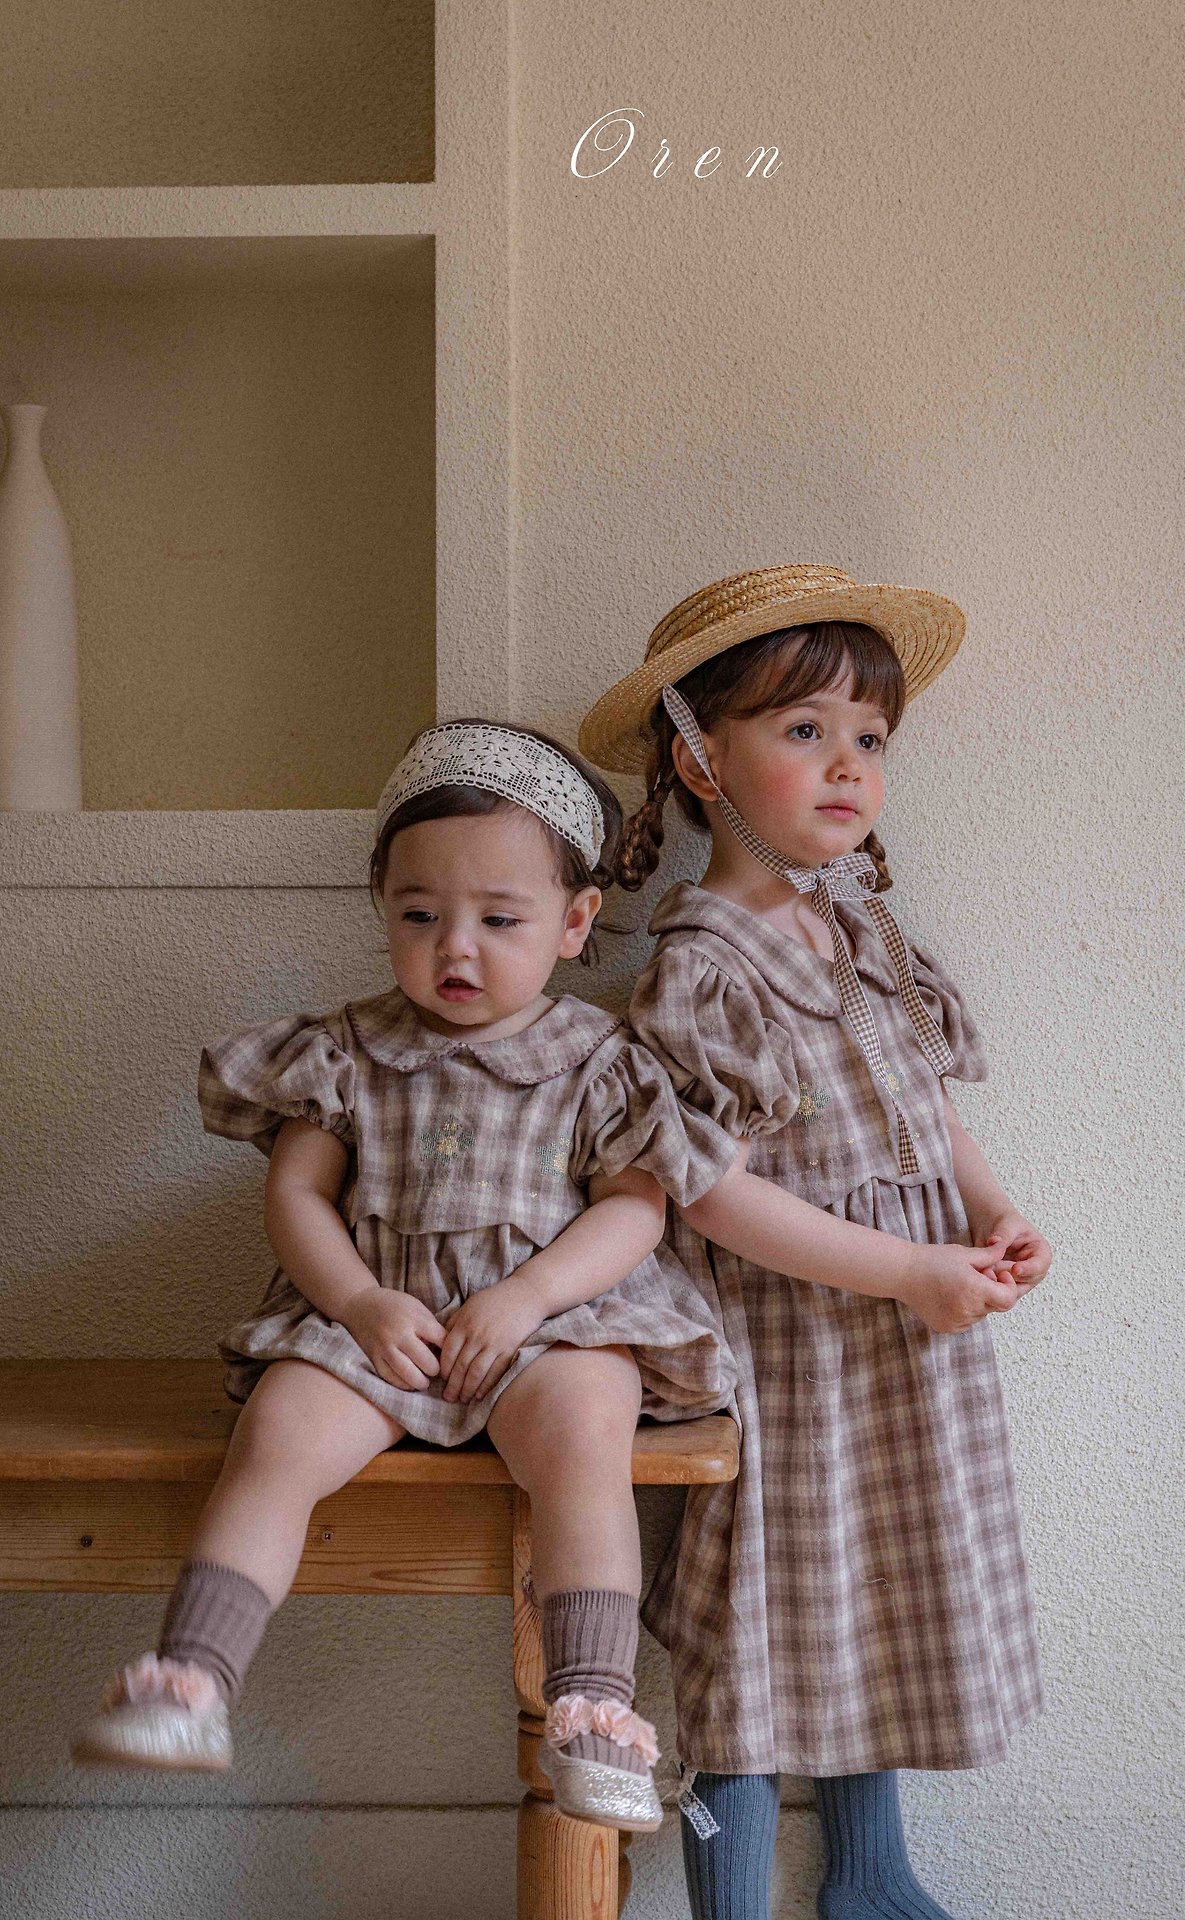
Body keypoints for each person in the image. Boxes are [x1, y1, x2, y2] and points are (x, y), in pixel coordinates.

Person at [72, 720, 744, 1836]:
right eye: (419, 916)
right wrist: (354, 1302)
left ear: (576, 923)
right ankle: (193, 1675)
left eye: (499, 919)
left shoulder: (595, 1058)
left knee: (589, 1424)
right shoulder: (347, 1048)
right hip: (379, 1321)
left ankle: (591, 1706)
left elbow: (636, 1205)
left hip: (543, 1330)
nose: (456, 950)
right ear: (382, 907)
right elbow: (296, 1193)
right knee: (280, 1426)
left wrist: (528, 1298)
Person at [577, 563, 1051, 1917]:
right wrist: (908, 1268)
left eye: (870, 738)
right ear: (700, 760)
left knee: (871, 1610)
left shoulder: (859, 928)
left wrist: (991, 1213)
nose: (847, 764)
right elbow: (710, 1189)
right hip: (790, 1353)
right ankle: (726, 1909)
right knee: (761, 1644)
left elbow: (922, 1104)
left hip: (906, 1337)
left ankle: (870, 1875)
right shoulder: (705, 961)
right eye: (803, 731)